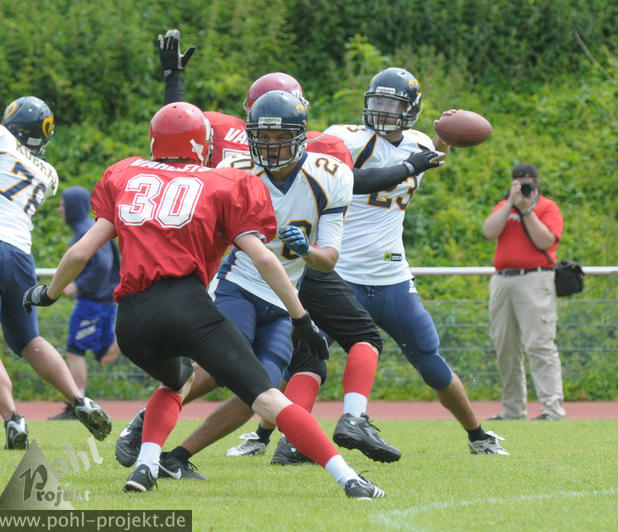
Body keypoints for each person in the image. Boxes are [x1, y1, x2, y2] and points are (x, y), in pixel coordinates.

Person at [113, 30, 443, 472]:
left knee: (305, 363)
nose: (271, 139)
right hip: (251, 267)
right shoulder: (240, 152)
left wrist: (173, 79)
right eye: (263, 129)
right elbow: (179, 129)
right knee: (234, 365)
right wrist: (410, 165)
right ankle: (160, 425)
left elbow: (181, 130)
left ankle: (284, 440)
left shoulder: (308, 152)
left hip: (300, 267)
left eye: (279, 131)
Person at [23, 101, 385, 498]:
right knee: (268, 399)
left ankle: (146, 466)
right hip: (188, 308)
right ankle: (350, 480)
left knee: (177, 381)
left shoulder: (125, 174)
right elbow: (265, 258)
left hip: (131, 321)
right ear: (203, 145)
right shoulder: (223, 182)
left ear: (154, 142)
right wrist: (301, 317)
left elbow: (79, 252)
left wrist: (48, 293)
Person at [323, 67, 508, 455]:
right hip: (340, 275)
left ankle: (478, 436)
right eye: (377, 101)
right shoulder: (345, 138)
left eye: (392, 104)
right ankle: (273, 436)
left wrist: (445, 140)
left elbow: (433, 157)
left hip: (391, 277)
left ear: (411, 110)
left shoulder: (420, 142)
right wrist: (415, 162)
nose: (383, 110)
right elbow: (345, 178)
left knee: (431, 361)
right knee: (301, 357)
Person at [0, 96, 113, 449]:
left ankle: (12, 418)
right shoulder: (48, 173)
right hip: (20, 255)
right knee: (29, 340)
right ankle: (79, 399)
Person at [481, 162, 566, 421]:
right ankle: (513, 409)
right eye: (518, 182)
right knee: (505, 346)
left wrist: (527, 210)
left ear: (537, 183)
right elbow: (488, 231)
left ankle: (552, 409)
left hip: (535, 279)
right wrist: (510, 202)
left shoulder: (547, 207)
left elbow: (545, 241)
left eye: (528, 182)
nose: (524, 186)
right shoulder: (504, 205)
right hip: (503, 280)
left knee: (539, 343)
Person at [50, 186, 121, 420]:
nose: (60, 209)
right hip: (101, 301)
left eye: (63, 204)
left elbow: (102, 265)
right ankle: (129, 335)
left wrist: (79, 285)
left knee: (75, 350)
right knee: (104, 354)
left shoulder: (86, 230)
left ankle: (77, 405)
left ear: (73, 206)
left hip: (93, 303)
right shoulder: (90, 228)